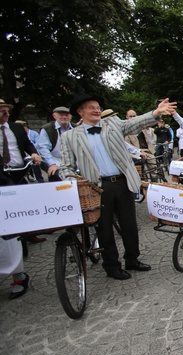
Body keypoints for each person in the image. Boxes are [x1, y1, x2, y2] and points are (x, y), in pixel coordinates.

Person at [59, 94, 176, 280]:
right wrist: (70, 182)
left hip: (122, 182)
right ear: (80, 112)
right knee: (104, 228)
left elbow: (134, 123)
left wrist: (156, 112)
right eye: (91, 107)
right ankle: (112, 266)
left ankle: (132, 259)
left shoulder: (112, 124)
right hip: (96, 187)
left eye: (97, 106)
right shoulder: (70, 137)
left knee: (129, 224)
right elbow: (65, 167)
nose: (96, 110)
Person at [0, 99, 45, 243]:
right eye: (3, 112)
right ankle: (10, 233)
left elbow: (27, 144)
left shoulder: (16, 128)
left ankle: (29, 233)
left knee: (25, 201)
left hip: (19, 170)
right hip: (2, 173)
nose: (7, 114)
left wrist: (33, 153)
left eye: (8, 111)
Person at [37, 106, 73, 182]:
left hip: (73, 161)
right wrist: (51, 164)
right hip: (55, 160)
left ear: (70, 116)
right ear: (54, 116)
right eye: (61, 115)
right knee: (56, 176)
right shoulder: (47, 129)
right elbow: (43, 148)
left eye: (66, 115)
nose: (64, 117)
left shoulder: (76, 128)